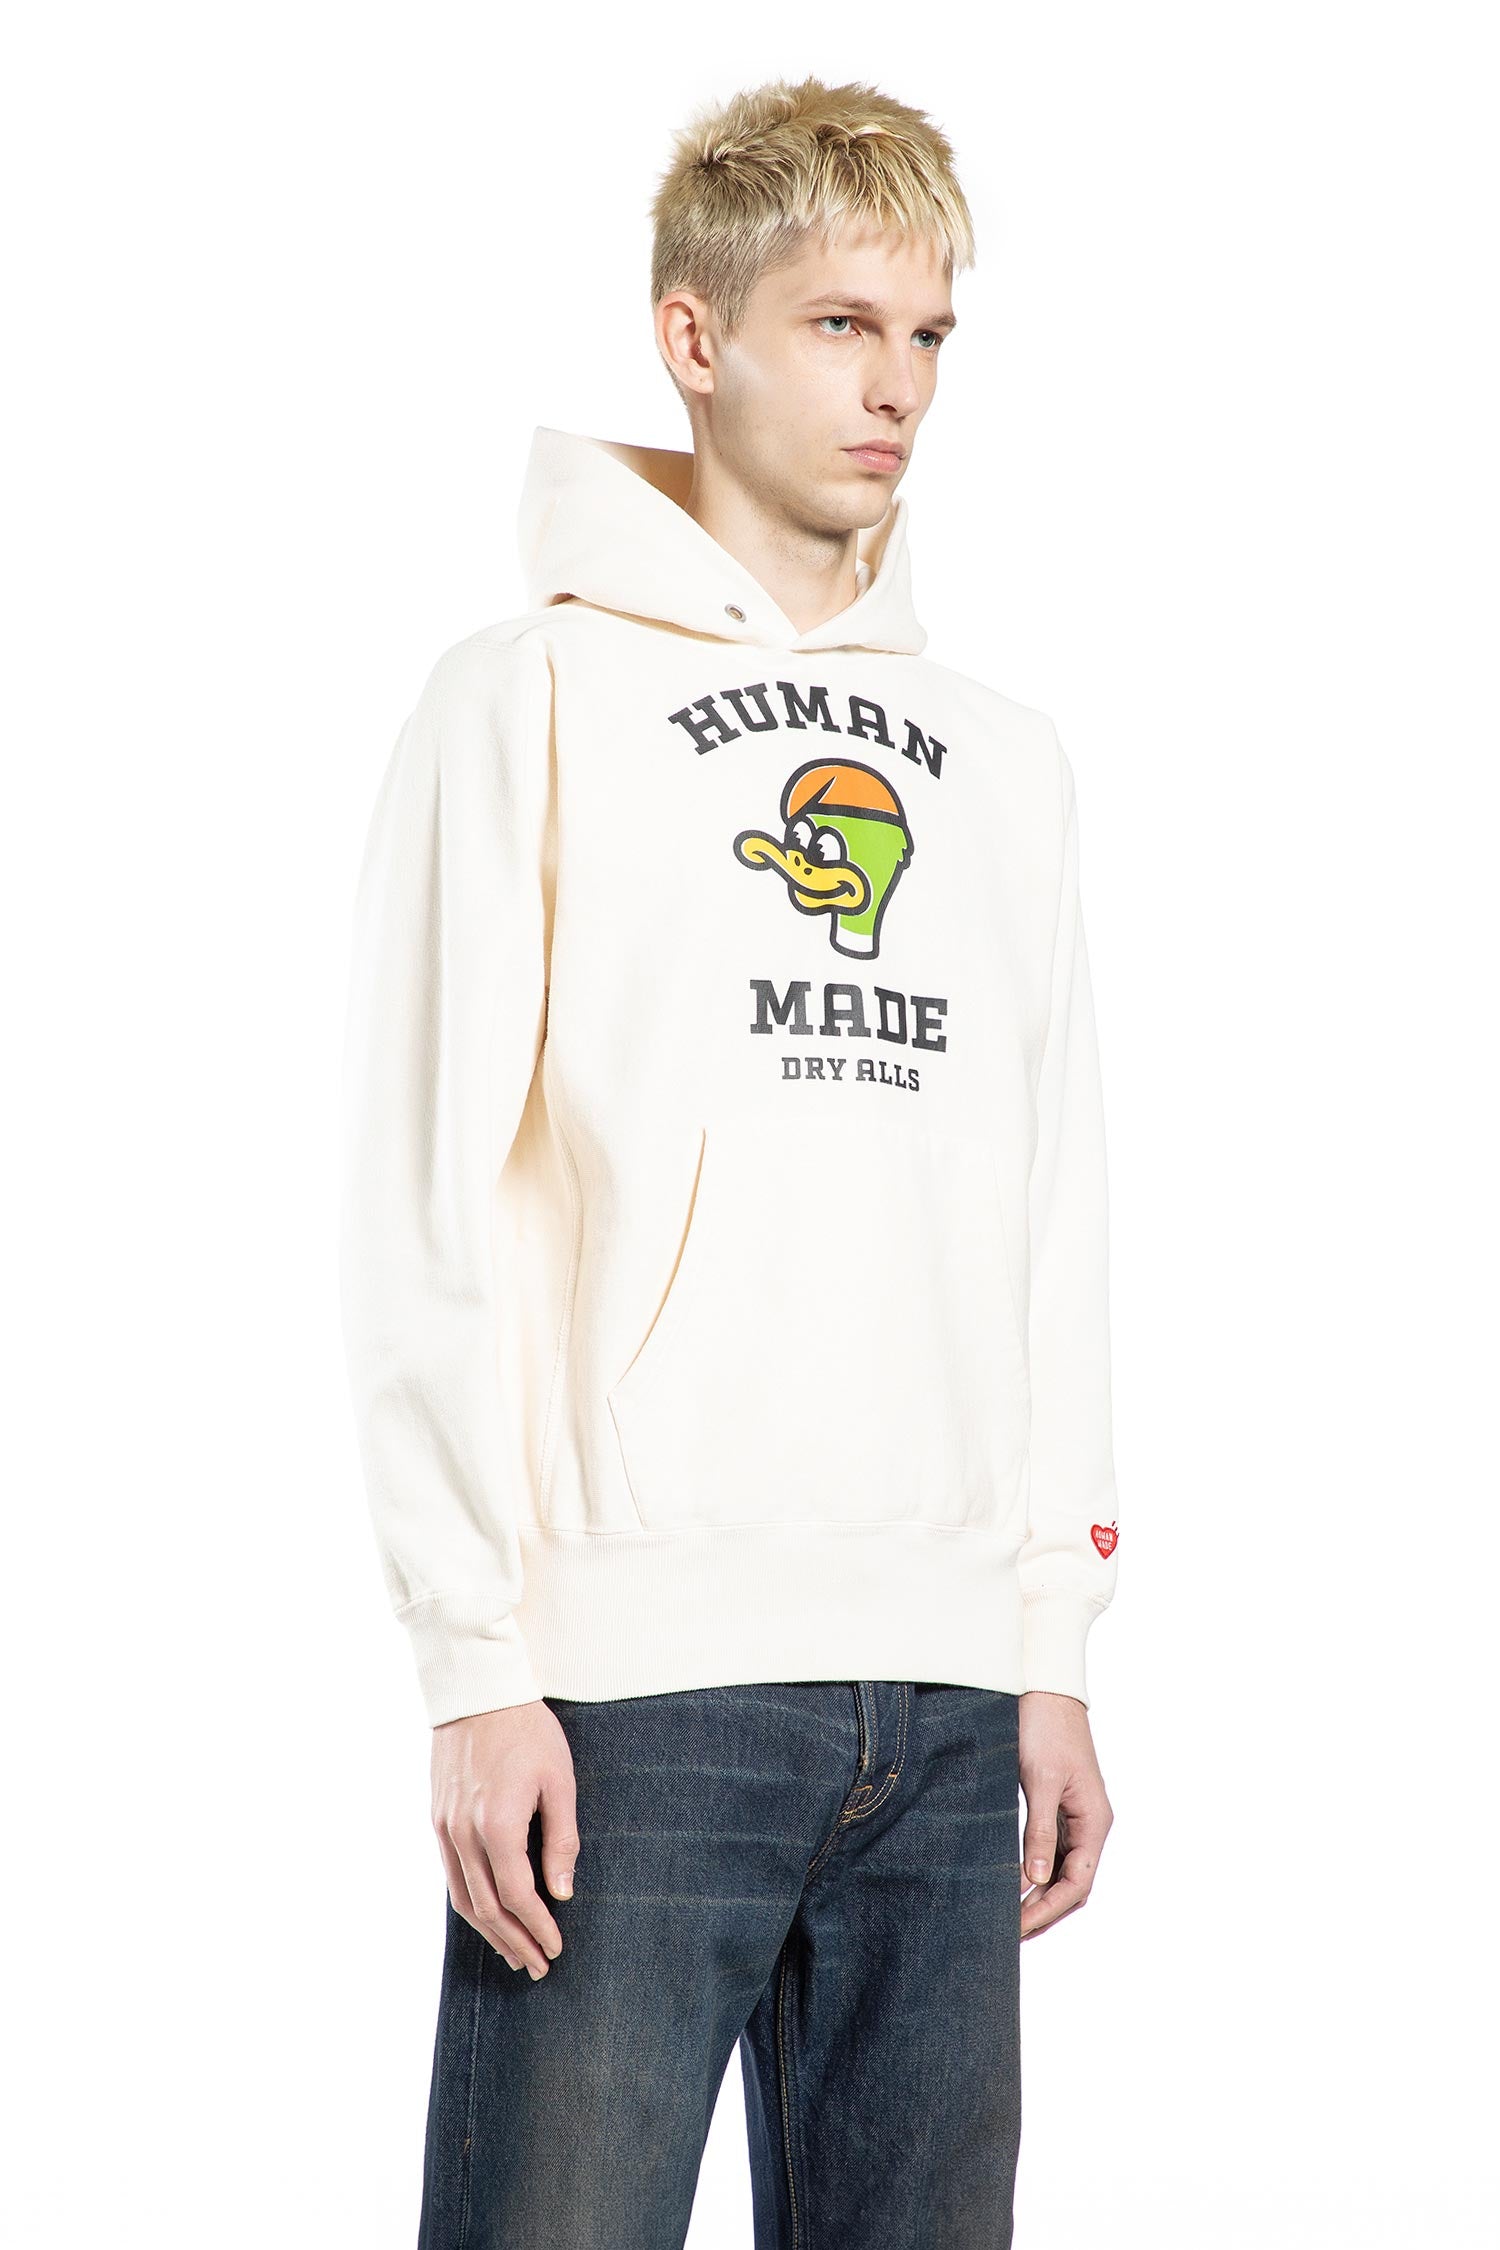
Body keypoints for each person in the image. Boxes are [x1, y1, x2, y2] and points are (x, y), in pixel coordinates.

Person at [340, 71, 1121, 2250]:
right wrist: (474, 1657)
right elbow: (423, 1196)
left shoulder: (1006, 765)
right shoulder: (527, 699)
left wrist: (1050, 1638)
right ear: (695, 337)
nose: (898, 390)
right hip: (631, 1694)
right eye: (840, 325)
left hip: (950, 1698)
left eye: (929, 333)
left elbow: (1050, 1210)